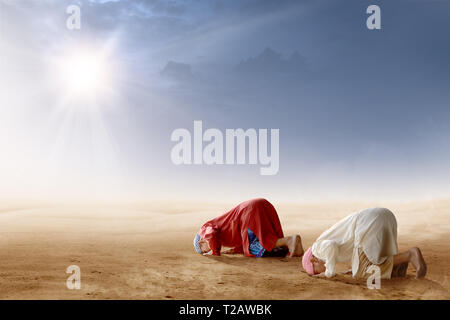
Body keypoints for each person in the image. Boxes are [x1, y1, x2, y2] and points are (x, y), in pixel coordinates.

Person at [302, 207, 427, 279]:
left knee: (365, 272)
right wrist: (354, 268)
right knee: (369, 265)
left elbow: (330, 246)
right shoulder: (324, 242)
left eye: (318, 271)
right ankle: (400, 263)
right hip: (383, 216)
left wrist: (329, 272)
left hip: (368, 222)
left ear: (313, 260)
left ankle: (410, 255)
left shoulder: (317, 248)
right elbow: (349, 246)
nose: (321, 271)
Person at [193, 198, 304, 258]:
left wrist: (214, 252)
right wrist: (235, 250)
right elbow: (239, 237)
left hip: (249, 211)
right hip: (255, 207)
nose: (207, 252)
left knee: (253, 249)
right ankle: (293, 248)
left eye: (204, 251)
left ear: (201, 242)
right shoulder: (215, 230)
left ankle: (289, 240)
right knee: (257, 242)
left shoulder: (204, 230)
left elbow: (211, 234)